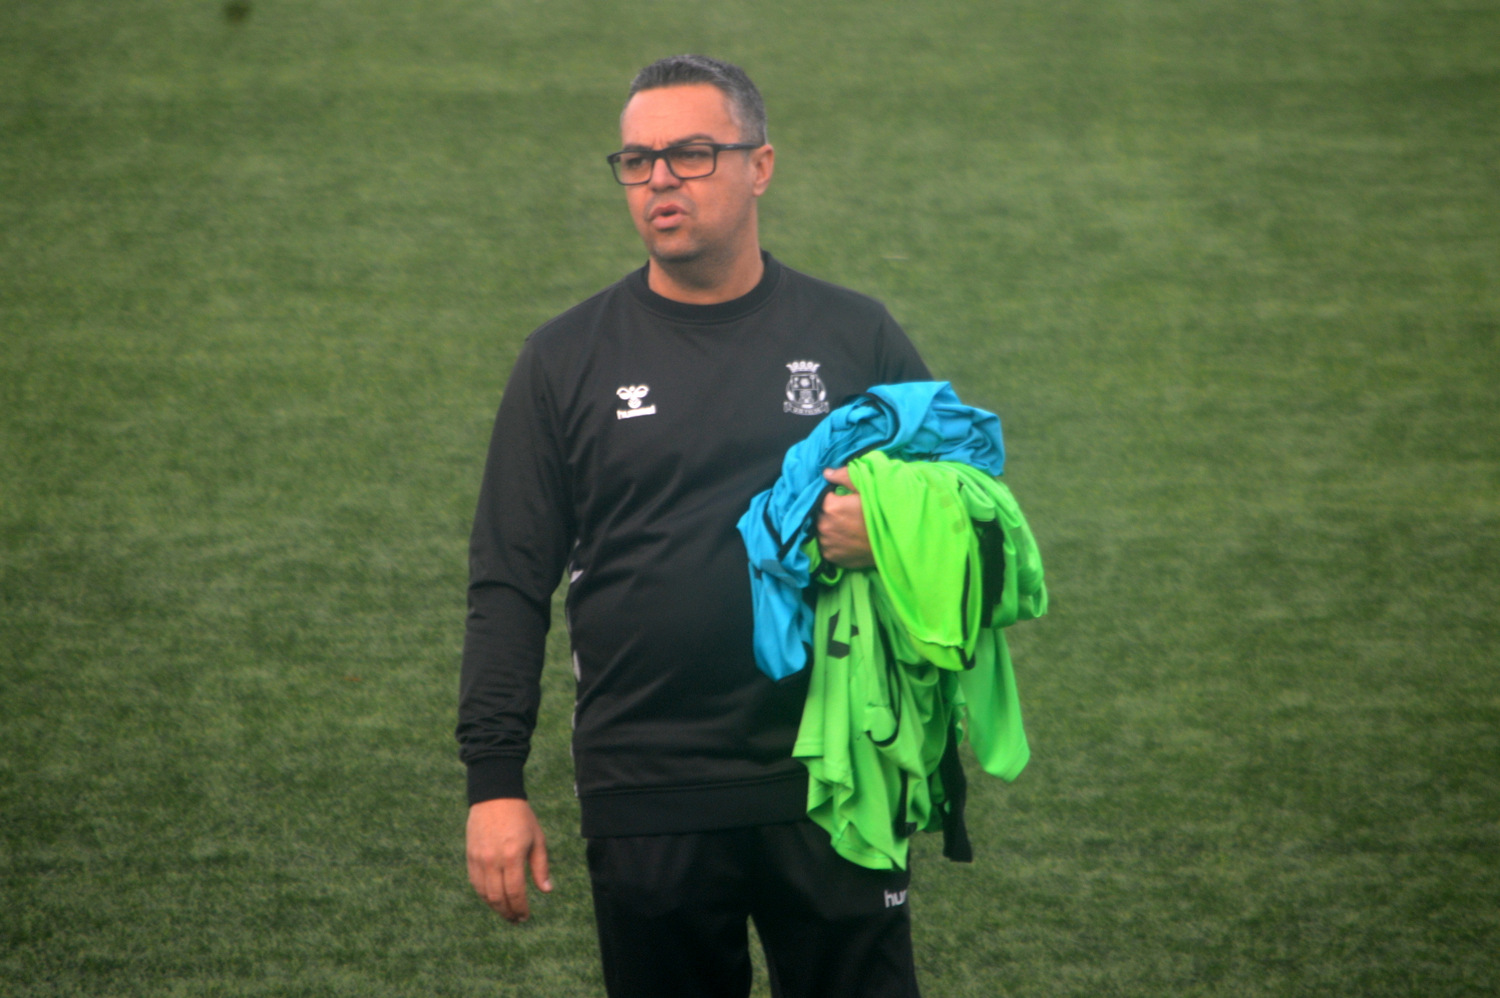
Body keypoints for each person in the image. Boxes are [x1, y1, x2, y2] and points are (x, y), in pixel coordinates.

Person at [458, 54, 932, 998]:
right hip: (649, 787)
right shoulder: (563, 361)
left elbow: (979, 529)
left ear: (760, 165)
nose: (659, 179)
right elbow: (509, 579)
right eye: (637, 161)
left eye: (690, 153)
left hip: (837, 780)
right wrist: (494, 782)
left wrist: (891, 535)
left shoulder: (855, 338)